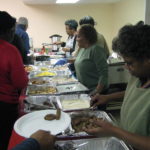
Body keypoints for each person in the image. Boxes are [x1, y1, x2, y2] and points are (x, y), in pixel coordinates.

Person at [85, 21, 150, 150]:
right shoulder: (139, 75)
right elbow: (136, 94)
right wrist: (108, 97)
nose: (126, 67)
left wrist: (115, 131)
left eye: (130, 63)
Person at [0, 11, 28, 150]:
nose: (13, 34)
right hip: (5, 105)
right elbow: (20, 83)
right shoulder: (9, 50)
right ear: (6, 31)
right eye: (12, 31)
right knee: (5, 140)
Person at [74, 24, 108, 95]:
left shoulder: (96, 50)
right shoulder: (82, 49)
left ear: (87, 37)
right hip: (84, 90)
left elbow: (104, 74)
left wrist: (96, 91)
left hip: (96, 92)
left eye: (79, 36)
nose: (76, 39)